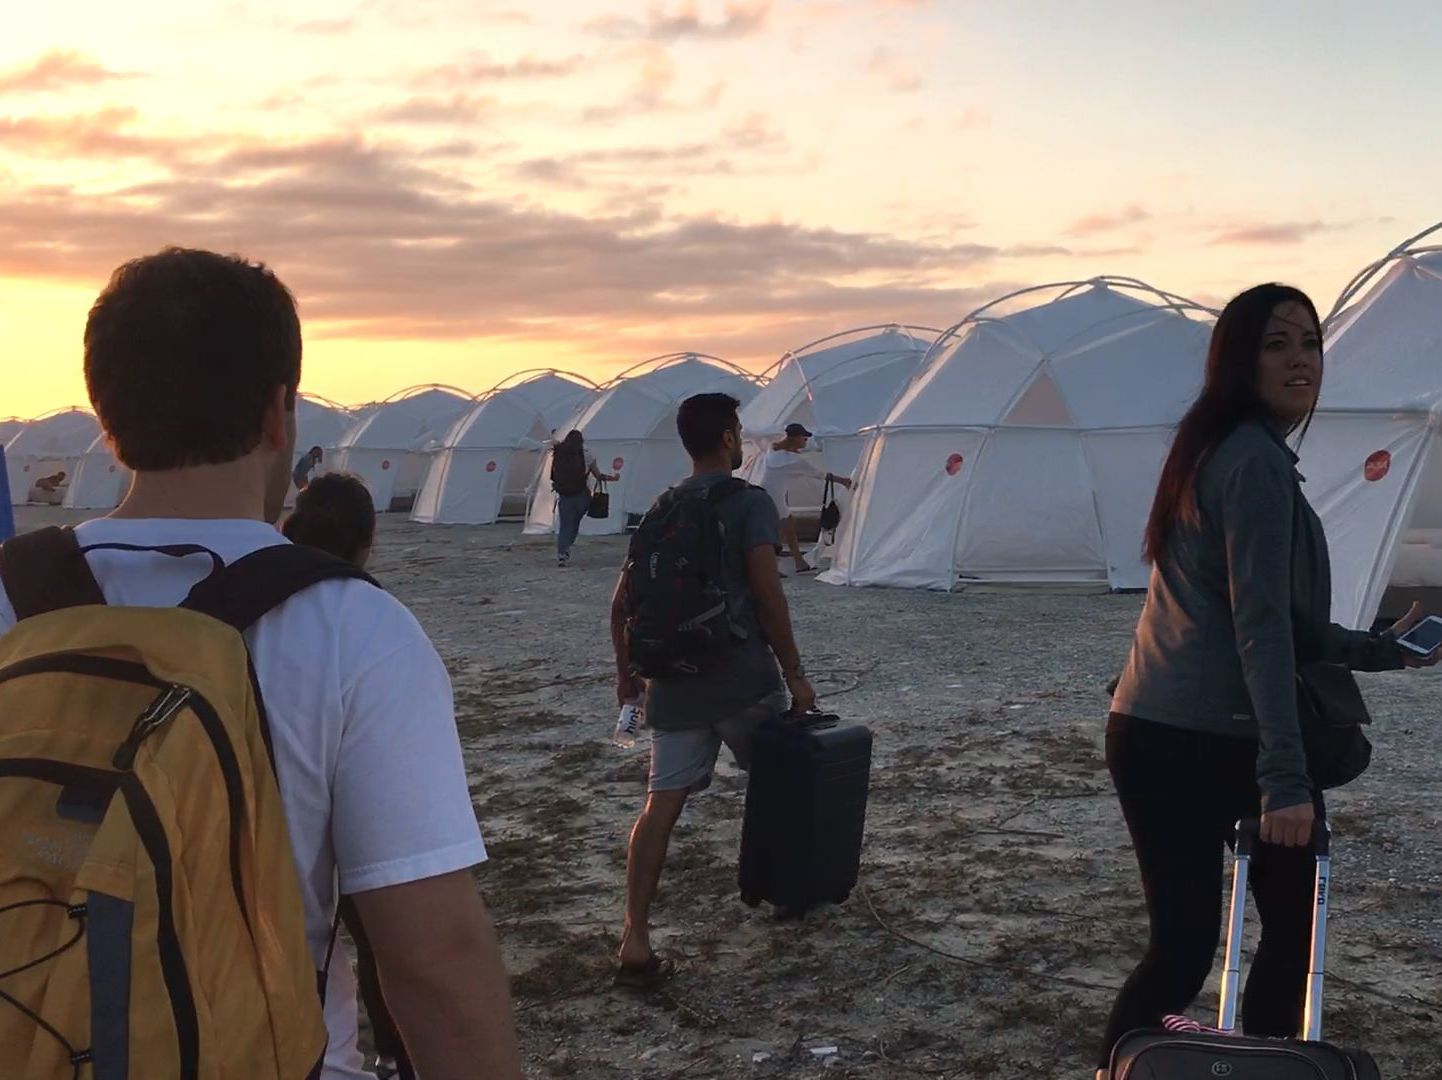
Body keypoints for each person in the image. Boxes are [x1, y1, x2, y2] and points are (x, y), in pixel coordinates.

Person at [0, 247, 523, 1080]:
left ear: (108, 418)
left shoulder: (7, 598)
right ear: (281, 414)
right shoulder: (355, 630)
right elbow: (431, 960)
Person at [1095, 284, 1436, 1077]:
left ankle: (1172, 1064)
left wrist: (1389, 649)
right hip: (1207, 738)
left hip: (1157, 729)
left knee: (1189, 944)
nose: (1300, 361)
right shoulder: (1250, 461)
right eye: (1278, 344)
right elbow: (1261, 628)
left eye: (1311, 344)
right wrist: (1282, 776)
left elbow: (1276, 618)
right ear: (1239, 360)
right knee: (1247, 938)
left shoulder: (1224, 450)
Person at [609, 393, 818, 988]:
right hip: (742, 680)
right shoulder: (748, 503)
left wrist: (629, 675)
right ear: (729, 438)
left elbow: (623, 602)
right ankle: (788, 891)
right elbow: (766, 592)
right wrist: (795, 673)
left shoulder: (662, 507)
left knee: (660, 806)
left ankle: (635, 936)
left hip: (673, 684)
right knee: (782, 784)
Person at [282, 473, 410, 1080]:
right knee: (383, 928)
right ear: (367, 542)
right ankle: (397, 1050)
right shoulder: (362, 614)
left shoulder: (247, 594)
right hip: (302, 1028)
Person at [761, 422, 852, 574]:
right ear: (795, 438)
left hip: (765, 493)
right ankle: (776, 566)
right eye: (803, 438)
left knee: (785, 527)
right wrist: (843, 481)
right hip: (775, 498)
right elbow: (820, 475)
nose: (805, 441)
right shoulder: (793, 461)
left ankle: (798, 562)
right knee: (777, 531)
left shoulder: (773, 450)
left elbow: (784, 448)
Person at [550, 428, 617, 567]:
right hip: (581, 494)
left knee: (565, 524)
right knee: (575, 522)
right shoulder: (587, 454)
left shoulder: (560, 452)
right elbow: (597, 475)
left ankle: (562, 553)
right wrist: (613, 478)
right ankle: (568, 545)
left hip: (564, 494)